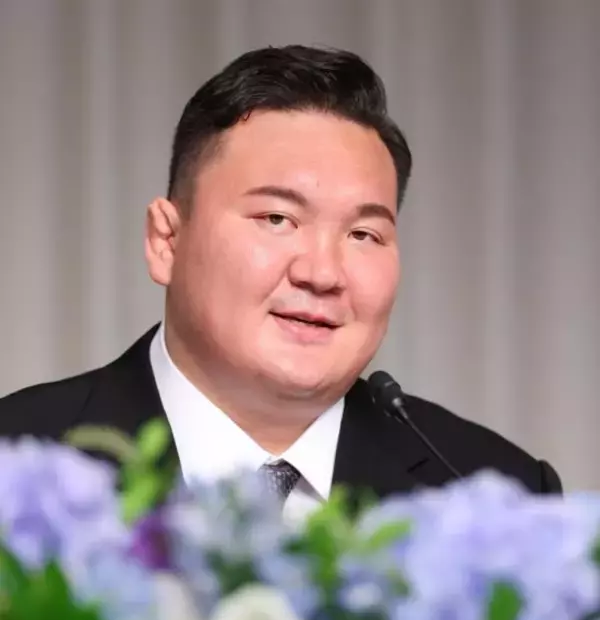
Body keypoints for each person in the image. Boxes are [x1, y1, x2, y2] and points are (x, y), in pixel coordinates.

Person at [0, 45, 561, 521]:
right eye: (277, 219)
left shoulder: (495, 498)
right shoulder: (18, 462)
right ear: (166, 241)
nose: (322, 274)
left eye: (363, 234)